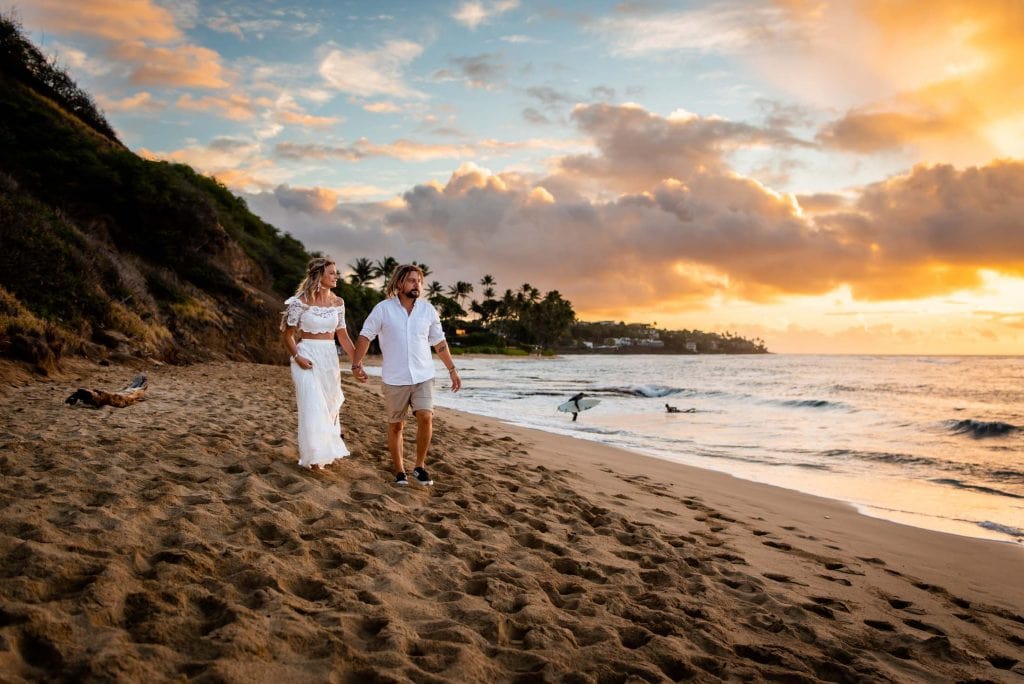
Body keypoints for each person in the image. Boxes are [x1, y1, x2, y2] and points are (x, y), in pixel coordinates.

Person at [351, 264, 461, 486]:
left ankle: (419, 467)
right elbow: (365, 336)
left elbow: (439, 342)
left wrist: (452, 369)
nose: (417, 285)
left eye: (419, 281)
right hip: (395, 378)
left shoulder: (428, 310)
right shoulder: (383, 309)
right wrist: (356, 364)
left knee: (426, 416)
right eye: (412, 280)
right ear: (399, 283)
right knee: (396, 426)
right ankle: (400, 471)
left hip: (423, 375)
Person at [281, 257, 367, 471]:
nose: (336, 276)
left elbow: (344, 337)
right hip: (306, 356)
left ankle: (321, 452)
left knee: (329, 406)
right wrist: (297, 357)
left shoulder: (338, 303)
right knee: (312, 406)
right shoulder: (300, 301)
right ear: (319, 276)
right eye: (331, 273)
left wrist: (357, 364)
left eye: (335, 273)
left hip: (329, 358)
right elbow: (288, 335)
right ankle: (314, 459)